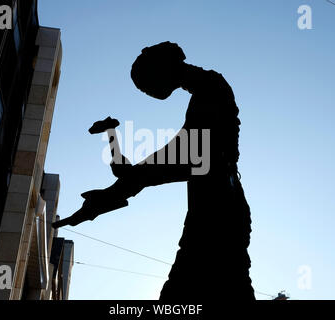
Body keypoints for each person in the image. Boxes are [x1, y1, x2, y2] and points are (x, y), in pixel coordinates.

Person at [53, 41, 255, 301]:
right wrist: (118, 188)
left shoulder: (211, 89)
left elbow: (188, 156)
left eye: (146, 82)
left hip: (218, 209)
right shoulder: (207, 91)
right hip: (214, 207)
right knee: (223, 285)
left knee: (194, 289)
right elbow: (174, 159)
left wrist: (115, 192)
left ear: (165, 66)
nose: (146, 91)